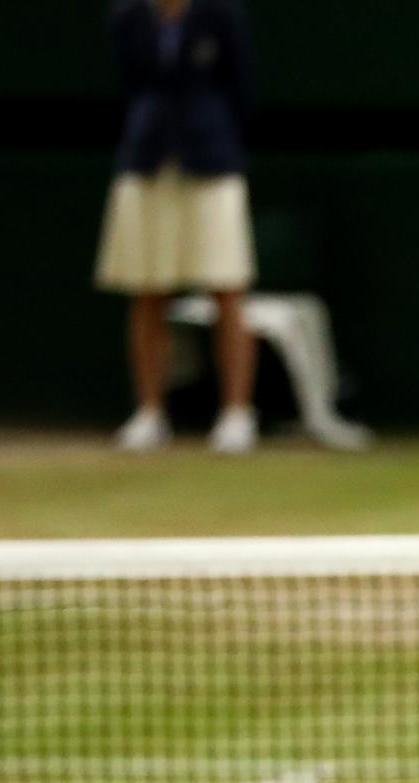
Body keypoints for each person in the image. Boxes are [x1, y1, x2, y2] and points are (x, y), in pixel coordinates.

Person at [96, 0, 260, 454]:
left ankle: (236, 414)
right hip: (147, 160)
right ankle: (149, 413)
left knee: (227, 288)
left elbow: (240, 88)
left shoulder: (222, 14)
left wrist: (212, 139)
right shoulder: (127, 17)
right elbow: (130, 86)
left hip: (212, 161)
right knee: (147, 290)